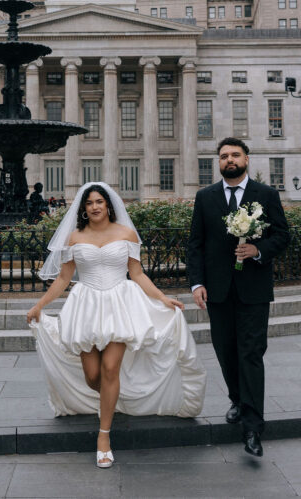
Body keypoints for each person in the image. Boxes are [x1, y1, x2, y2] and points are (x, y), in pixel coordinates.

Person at [27, 182, 206, 469]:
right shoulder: (75, 237)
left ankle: (104, 436)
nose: (95, 207)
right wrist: (39, 306)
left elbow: (137, 273)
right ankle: (117, 396)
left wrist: (162, 298)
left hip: (120, 305)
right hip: (86, 305)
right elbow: (63, 279)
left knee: (111, 368)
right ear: (83, 209)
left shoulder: (126, 234)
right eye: (89, 203)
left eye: (99, 201)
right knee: (92, 375)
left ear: (109, 205)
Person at [186, 137, 290, 458]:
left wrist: (259, 250)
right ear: (218, 163)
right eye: (223, 156)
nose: (229, 160)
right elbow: (196, 245)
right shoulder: (205, 198)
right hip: (217, 290)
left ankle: (252, 427)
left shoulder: (266, 195)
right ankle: (237, 399)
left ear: (246, 158)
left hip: (254, 290)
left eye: (235, 155)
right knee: (226, 351)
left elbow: (283, 235)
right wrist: (196, 284)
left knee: (251, 354)